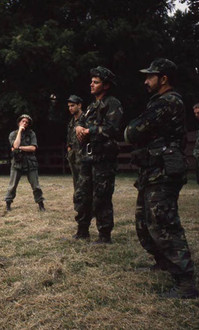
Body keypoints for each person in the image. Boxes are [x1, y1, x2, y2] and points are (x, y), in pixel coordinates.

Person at [124, 58, 199, 298]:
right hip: (153, 170)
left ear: (163, 78)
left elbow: (133, 132)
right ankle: (163, 261)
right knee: (144, 222)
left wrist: (133, 131)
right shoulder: (159, 102)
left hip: (164, 171)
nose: (146, 81)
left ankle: (185, 282)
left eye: (150, 76)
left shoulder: (167, 102)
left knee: (164, 224)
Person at [73, 66, 123, 244]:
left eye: (96, 82)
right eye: (91, 81)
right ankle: (82, 231)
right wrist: (79, 127)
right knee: (82, 195)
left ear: (106, 85)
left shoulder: (113, 104)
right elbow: (81, 123)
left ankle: (104, 235)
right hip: (87, 158)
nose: (91, 84)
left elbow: (113, 128)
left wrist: (89, 130)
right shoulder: (91, 106)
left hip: (103, 159)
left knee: (101, 196)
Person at [4, 114, 45, 211]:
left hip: (30, 162)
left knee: (36, 186)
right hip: (17, 162)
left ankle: (41, 204)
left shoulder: (32, 134)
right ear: (19, 122)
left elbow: (33, 148)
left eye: (27, 122)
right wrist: (19, 132)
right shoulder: (13, 134)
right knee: (12, 185)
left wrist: (21, 148)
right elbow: (15, 144)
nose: (25, 123)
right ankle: (8, 203)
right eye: (23, 121)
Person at [66, 95, 84, 190]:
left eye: (72, 105)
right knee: (76, 182)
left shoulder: (86, 119)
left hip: (84, 155)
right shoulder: (72, 121)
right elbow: (69, 138)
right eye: (69, 106)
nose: (70, 108)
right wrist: (69, 149)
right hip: (73, 156)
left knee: (85, 182)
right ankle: (78, 200)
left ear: (79, 105)